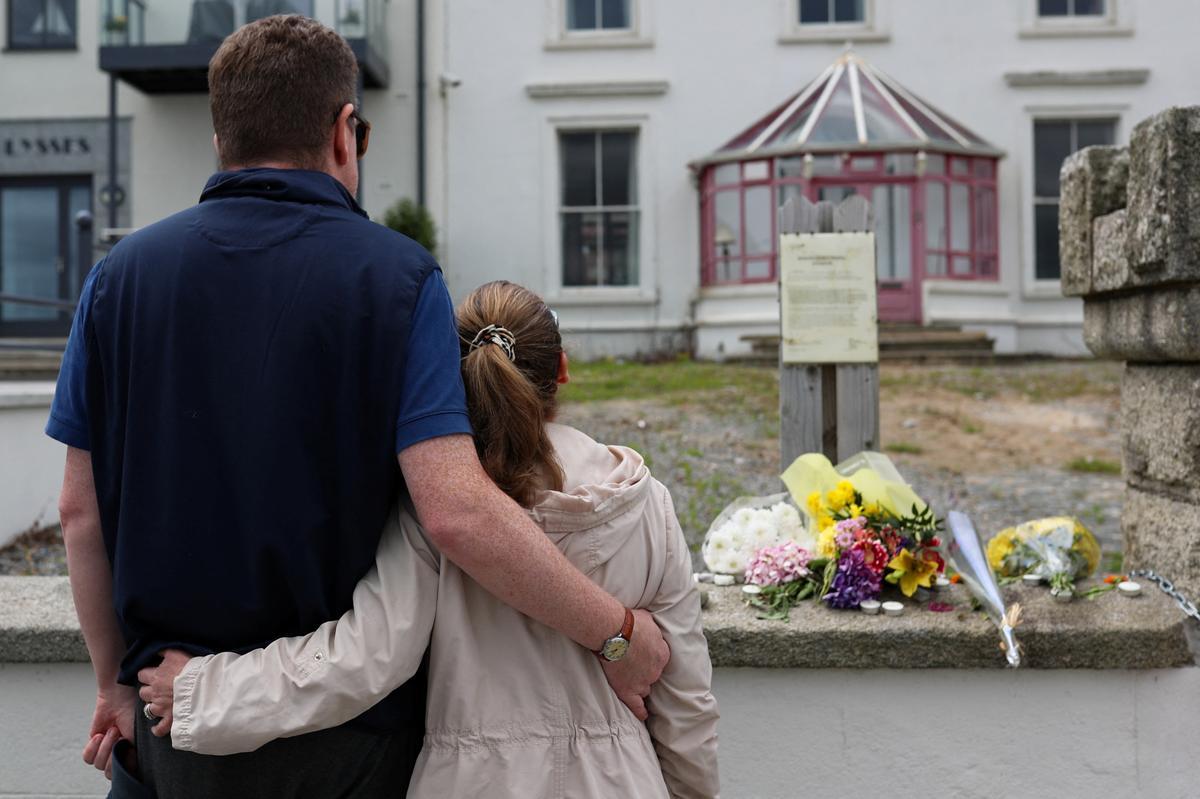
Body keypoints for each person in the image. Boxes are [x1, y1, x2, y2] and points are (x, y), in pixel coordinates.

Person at [46, 15, 667, 796]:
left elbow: (79, 512)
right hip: (343, 749)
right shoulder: (396, 278)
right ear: (346, 131)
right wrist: (619, 636)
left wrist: (113, 688)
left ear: (219, 138)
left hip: (170, 736)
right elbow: (456, 512)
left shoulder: (119, 277)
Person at [138, 281, 720, 798]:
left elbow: (362, 660)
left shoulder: (434, 506)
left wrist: (203, 694)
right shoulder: (647, 503)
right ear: (562, 370)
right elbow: (686, 699)